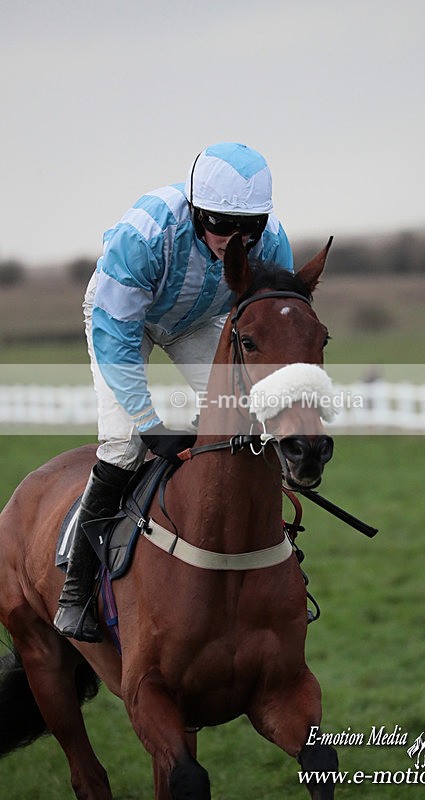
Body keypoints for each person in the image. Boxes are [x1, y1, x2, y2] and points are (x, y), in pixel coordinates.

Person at [54, 142, 293, 642]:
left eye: (249, 228)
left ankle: (264, 559)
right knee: (124, 446)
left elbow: (271, 318)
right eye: (224, 226)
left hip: (198, 322)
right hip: (124, 322)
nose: (238, 241)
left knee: (249, 416)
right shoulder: (144, 235)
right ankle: (74, 593)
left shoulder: (272, 242)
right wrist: (150, 425)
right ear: (198, 210)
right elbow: (116, 335)